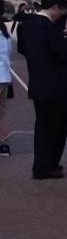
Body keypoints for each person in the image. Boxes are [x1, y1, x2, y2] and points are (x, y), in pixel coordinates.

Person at [18, 0, 67, 179]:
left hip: (38, 82)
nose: (63, 14)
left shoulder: (27, 25)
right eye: (63, 10)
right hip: (55, 85)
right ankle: (46, 166)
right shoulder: (49, 27)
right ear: (55, 7)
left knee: (43, 127)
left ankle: (43, 164)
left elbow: (22, 48)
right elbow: (63, 53)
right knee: (55, 128)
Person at [0, 14, 12, 156]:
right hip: (4, 76)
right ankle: (3, 143)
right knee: (2, 111)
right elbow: (9, 52)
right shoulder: (4, 33)